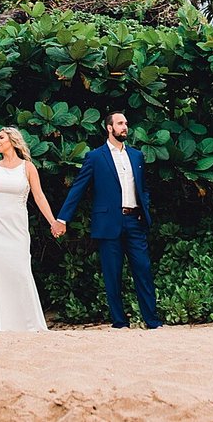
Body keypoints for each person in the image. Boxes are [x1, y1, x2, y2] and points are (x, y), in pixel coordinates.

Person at [54, 109, 163, 329]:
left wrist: (144, 207)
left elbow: (143, 188)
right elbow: (78, 188)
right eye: (120, 123)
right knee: (112, 274)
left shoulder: (136, 155)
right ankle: (119, 322)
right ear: (109, 128)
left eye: (126, 123)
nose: (125, 127)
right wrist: (62, 219)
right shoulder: (95, 157)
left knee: (142, 269)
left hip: (134, 221)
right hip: (108, 222)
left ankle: (152, 321)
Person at [0, 125, 61, 332]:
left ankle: (26, 322)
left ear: (12, 141)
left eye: (1, 138)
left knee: (19, 269)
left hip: (16, 227)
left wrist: (52, 221)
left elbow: (39, 196)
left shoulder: (27, 167)